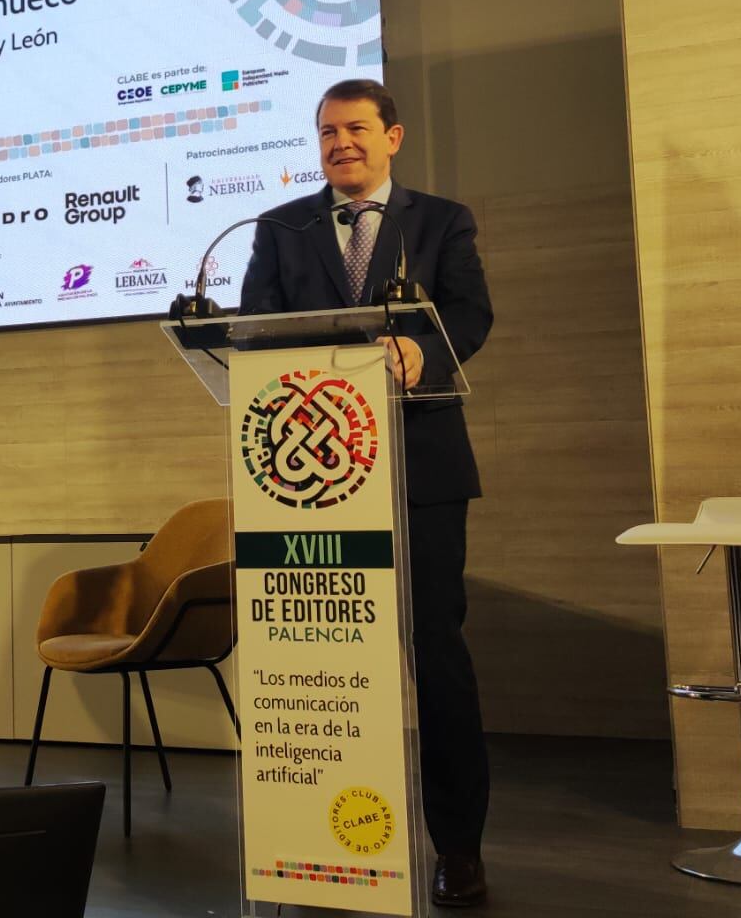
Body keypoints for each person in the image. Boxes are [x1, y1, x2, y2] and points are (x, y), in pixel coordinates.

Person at [239, 78, 494, 908]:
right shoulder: (283, 228)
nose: (338, 143)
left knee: (436, 656)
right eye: (325, 133)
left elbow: (471, 311)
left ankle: (458, 848)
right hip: (311, 485)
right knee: (325, 667)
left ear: (393, 136)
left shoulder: (441, 220)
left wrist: (424, 348)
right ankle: (324, 842)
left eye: (354, 129)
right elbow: (252, 329)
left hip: (420, 468)